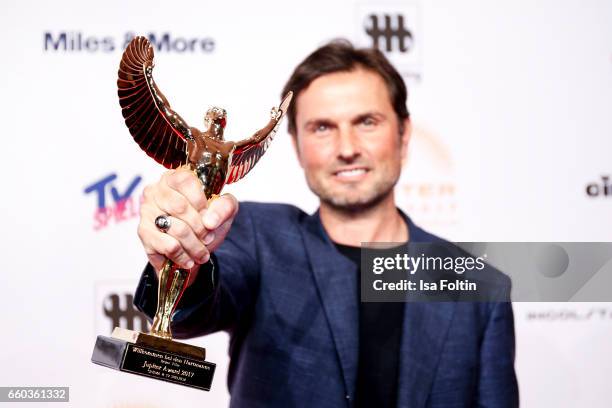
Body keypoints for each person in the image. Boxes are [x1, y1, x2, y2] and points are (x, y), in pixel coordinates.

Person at [134, 40, 518, 407]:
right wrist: (178, 250)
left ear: (404, 135)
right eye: (322, 127)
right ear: (297, 146)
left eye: (367, 122)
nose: (347, 147)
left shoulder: (478, 289)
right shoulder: (258, 237)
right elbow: (194, 309)